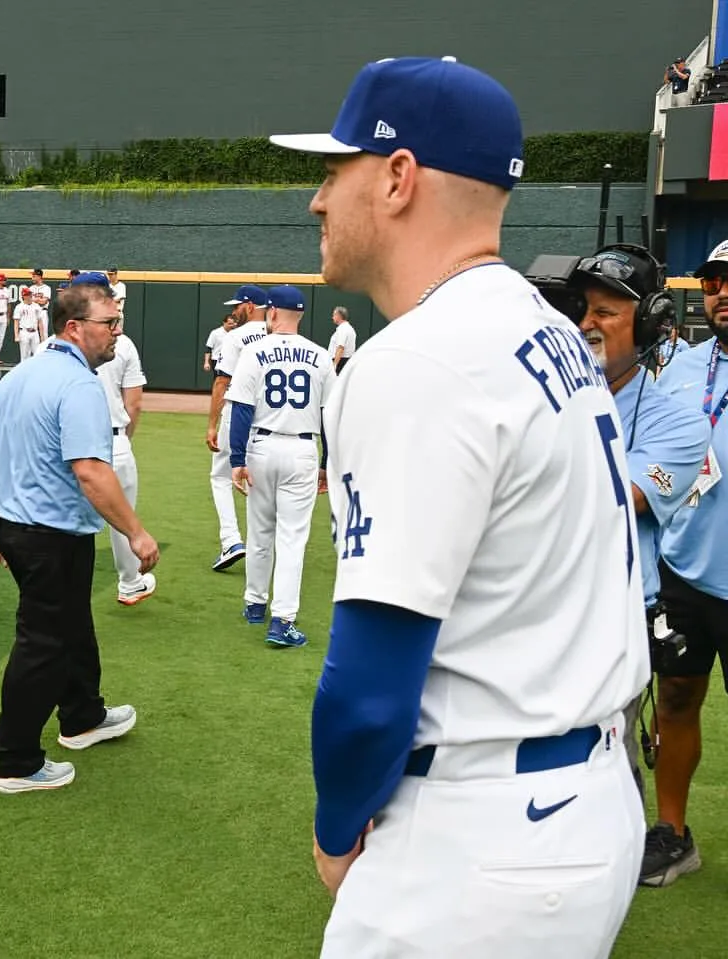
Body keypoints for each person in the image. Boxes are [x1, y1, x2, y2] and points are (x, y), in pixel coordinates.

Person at [272, 56, 646, 956]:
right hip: (584, 796)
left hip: (481, 832)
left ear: (398, 177)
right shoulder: (548, 327)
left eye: (335, 171)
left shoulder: (419, 361)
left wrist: (335, 827)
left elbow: (368, 683)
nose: (318, 201)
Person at [0, 281, 160, 794]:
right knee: (44, 642)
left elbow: (1, 448)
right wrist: (137, 532)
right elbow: (90, 472)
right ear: (74, 327)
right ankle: (13, 759)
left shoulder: (23, 374)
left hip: (24, 526)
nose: (116, 332)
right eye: (108, 322)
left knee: (70, 624)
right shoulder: (79, 385)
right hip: (51, 534)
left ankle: (83, 715)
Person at [567, 244, 709, 821]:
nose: (586, 324)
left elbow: (616, 501)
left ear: (649, 323)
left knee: (604, 761)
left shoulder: (677, 419)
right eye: (584, 310)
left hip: (612, 613)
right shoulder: (557, 397)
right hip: (539, 603)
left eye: (606, 312)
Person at [638, 238, 728, 888]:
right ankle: (672, 832)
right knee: (674, 697)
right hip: (686, 572)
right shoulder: (683, 366)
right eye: (715, 281)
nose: (722, 292)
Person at [227, 284, 335, 646]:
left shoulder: (254, 351)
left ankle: (255, 603)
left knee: (260, 532)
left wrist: (237, 460)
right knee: (292, 537)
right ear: (300, 315)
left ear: (271, 313)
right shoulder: (320, 357)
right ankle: (282, 620)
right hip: (302, 450)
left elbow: (241, 410)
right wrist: (326, 464)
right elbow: (329, 417)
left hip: (261, 445)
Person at [205, 285, 270, 572]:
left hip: (237, 411)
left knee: (220, 476)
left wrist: (211, 424)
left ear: (250, 306)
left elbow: (222, 382)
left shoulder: (235, 337)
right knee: (258, 480)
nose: (234, 311)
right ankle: (260, 547)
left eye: (238, 306)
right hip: (270, 417)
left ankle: (231, 540)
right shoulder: (279, 335)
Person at [98, 326, 152, 605]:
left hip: (66, 442)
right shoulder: (124, 342)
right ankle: (130, 582)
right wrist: (124, 441)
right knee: (121, 515)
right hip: (113, 438)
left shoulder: (50, 344)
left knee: (63, 521)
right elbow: (134, 404)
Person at [14, 287, 47, 360]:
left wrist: (42, 337)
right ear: (24, 296)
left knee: (37, 355)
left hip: (34, 333)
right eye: (27, 295)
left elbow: (40, 322)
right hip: (24, 332)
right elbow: (16, 322)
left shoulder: (36, 306)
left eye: (30, 294)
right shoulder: (19, 307)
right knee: (24, 356)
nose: (30, 296)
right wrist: (16, 335)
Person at [327, 305, 356, 372]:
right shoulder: (350, 328)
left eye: (334, 315)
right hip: (345, 362)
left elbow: (340, 348)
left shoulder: (342, 329)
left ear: (338, 316)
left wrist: (334, 366)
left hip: (340, 363)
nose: (332, 317)